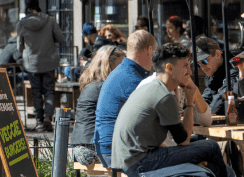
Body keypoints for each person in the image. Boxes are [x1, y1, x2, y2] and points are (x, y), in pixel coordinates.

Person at [112, 43, 230, 177]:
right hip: (140, 163)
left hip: (128, 162)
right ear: (169, 68)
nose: (190, 72)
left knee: (210, 163)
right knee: (212, 147)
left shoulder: (152, 87)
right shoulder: (163, 96)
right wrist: (190, 101)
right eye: (185, 66)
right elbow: (183, 140)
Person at [93, 30, 156, 168]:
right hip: (118, 153)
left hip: (109, 149)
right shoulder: (133, 80)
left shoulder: (123, 72)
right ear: (150, 50)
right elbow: (152, 123)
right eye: (155, 52)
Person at [17, 0, 65, 132]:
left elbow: (19, 46)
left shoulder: (22, 24)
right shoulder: (50, 20)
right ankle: (48, 117)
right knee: (49, 90)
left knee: (36, 92)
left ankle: (38, 121)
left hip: (32, 64)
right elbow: (61, 38)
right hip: (49, 61)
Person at [71, 45, 125, 166]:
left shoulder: (92, 85)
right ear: (110, 65)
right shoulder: (106, 88)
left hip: (79, 148)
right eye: (121, 65)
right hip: (94, 148)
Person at [195, 36, 239, 115]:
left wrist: (202, 114)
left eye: (205, 61)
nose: (202, 67)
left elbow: (218, 104)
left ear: (218, 54)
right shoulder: (214, 74)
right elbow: (207, 97)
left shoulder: (234, 70)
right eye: (198, 64)